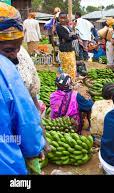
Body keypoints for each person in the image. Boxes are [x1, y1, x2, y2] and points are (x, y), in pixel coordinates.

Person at [0, 2, 45, 174]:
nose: (15, 56)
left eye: (19, 49)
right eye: (9, 49)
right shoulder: (6, 72)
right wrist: (35, 147)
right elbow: (26, 124)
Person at [56, 12, 78, 81]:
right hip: (64, 50)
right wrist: (70, 36)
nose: (62, 20)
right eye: (61, 18)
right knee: (66, 66)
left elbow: (75, 36)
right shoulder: (58, 27)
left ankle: (71, 80)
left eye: (64, 18)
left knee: (72, 66)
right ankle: (67, 81)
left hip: (70, 48)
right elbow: (67, 37)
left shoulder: (68, 26)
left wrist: (70, 36)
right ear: (58, 19)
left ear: (66, 18)